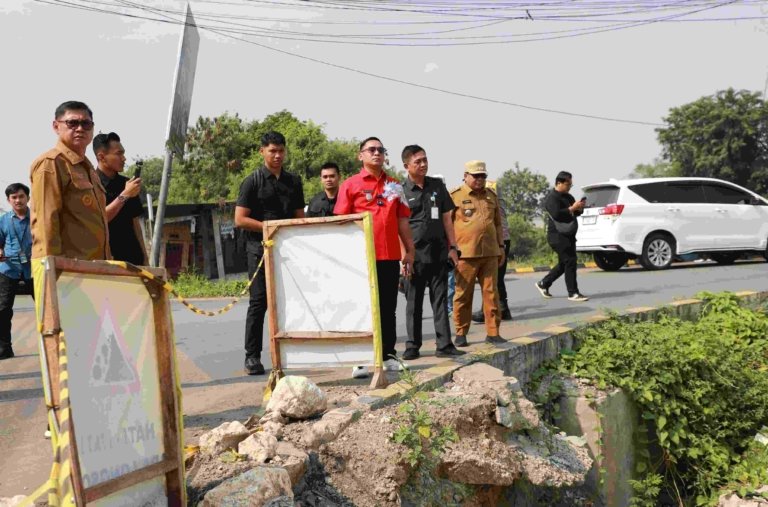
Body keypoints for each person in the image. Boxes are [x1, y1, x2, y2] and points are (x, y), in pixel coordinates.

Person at [334, 137, 415, 372]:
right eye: (371, 150)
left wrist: (409, 250)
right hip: (361, 259)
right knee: (363, 308)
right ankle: (362, 359)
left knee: (388, 307)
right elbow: (341, 221)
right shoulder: (350, 185)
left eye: (381, 149)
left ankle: (389, 355)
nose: (377, 153)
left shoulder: (395, 185)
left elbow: (402, 221)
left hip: (389, 256)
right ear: (361, 155)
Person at [235, 131, 306, 375]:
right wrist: (269, 229)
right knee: (259, 304)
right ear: (262, 151)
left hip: (289, 251)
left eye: (281, 151)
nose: (277, 155)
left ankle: (293, 352)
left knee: (292, 301)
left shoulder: (294, 181)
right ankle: (252, 357)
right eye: (272, 151)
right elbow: (240, 219)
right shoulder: (251, 181)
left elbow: (300, 219)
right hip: (259, 251)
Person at [400, 145, 465, 360]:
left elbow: (448, 219)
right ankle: (412, 345)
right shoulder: (401, 191)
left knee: (440, 301)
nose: (423, 164)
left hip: (439, 253)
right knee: (413, 303)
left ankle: (444, 344)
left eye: (425, 160)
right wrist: (404, 255)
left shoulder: (437, 186)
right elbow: (398, 226)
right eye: (418, 161)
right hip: (414, 256)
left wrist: (453, 248)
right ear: (406, 165)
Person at [30, 101, 110, 261]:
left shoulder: (88, 168)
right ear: (56, 126)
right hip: (66, 273)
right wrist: (54, 273)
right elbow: (46, 224)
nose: (80, 128)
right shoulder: (51, 163)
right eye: (72, 123)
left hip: (94, 268)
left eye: (86, 124)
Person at [450, 161, 506, 347]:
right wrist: (450, 249)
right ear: (465, 175)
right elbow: (447, 225)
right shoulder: (455, 196)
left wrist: (501, 247)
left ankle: (493, 332)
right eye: (476, 176)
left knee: (491, 294)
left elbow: (498, 224)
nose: (480, 179)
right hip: (465, 254)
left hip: (490, 252)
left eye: (483, 176)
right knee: (463, 294)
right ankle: (461, 332)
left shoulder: (491, 196)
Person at [535, 171, 589, 302]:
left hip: (569, 234)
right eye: (567, 184)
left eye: (571, 184)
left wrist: (580, 208)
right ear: (559, 183)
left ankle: (544, 283)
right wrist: (572, 208)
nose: (569, 186)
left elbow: (575, 214)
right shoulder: (552, 198)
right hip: (557, 236)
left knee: (564, 263)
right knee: (570, 261)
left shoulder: (568, 197)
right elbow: (557, 214)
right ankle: (573, 293)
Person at [93, 132, 146, 265]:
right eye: (118, 154)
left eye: (123, 153)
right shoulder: (90, 185)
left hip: (133, 258)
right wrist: (125, 195)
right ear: (101, 157)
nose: (124, 158)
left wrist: (145, 257)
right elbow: (99, 219)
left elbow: (135, 223)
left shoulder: (127, 183)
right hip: (105, 260)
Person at [0, 183, 33, 360]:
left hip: (34, 269)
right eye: (14, 197)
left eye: (21, 196)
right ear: (8, 200)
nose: (18, 200)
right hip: (8, 269)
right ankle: (5, 348)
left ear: (28, 197)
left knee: (47, 308)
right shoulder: (3, 220)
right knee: (3, 309)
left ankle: (54, 345)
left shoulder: (38, 218)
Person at [472, 182, 513, 322]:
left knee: (492, 278)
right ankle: (502, 309)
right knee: (494, 278)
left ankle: (495, 310)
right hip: (499, 239)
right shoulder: (490, 199)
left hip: (499, 240)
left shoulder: (491, 199)